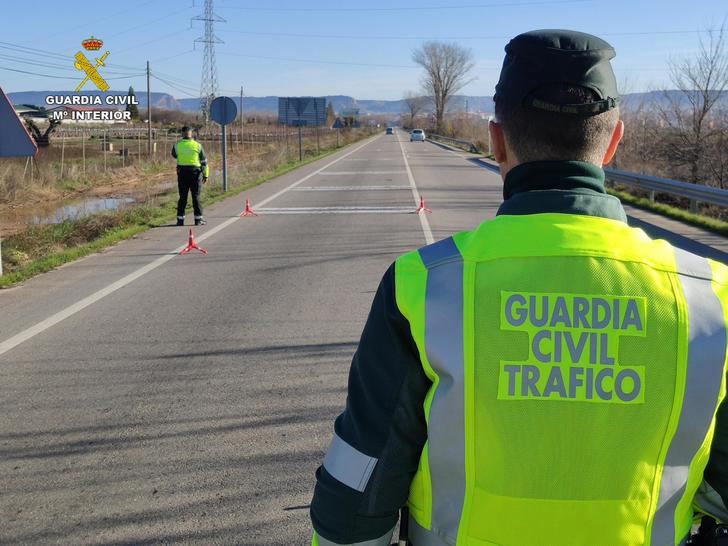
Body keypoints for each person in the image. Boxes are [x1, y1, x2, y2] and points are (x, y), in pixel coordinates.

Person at [309, 29, 728, 546]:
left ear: (496, 140)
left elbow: (362, 481)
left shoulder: (424, 283)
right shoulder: (712, 294)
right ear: (614, 141)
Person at [172, 126, 209, 226]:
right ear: (191, 133)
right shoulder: (197, 145)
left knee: (182, 197)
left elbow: (174, 155)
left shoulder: (177, 145)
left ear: (182, 133)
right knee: (196, 196)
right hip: (195, 174)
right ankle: (198, 219)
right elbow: (204, 162)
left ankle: (180, 220)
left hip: (182, 173)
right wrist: (206, 175)